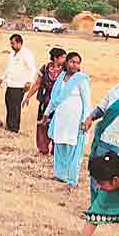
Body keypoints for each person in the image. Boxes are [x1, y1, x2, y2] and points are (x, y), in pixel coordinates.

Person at [40, 52, 90, 188]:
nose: (75, 65)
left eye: (78, 62)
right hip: (61, 119)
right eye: (72, 62)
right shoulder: (61, 77)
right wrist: (46, 114)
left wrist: (86, 120)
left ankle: (72, 179)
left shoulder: (81, 79)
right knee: (60, 145)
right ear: (66, 63)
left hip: (75, 120)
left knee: (73, 148)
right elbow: (55, 99)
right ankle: (60, 174)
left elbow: (87, 102)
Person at [23, 47, 67, 155]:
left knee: (58, 125)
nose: (65, 59)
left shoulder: (66, 70)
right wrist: (28, 96)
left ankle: (56, 150)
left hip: (59, 103)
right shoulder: (45, 68)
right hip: (45, 101)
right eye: (63, 57)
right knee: (43, 124)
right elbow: (37, 83)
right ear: (56, 58)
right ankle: (43, 148)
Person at [0, 34, 36, 133]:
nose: (11, 45)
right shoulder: (12, 53)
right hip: (10, 84)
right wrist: (1, 79)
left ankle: (14, 128)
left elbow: (32, 69)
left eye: (13, 43)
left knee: (15, 107)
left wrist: (29, 81)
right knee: (9, 104)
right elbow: (8, 68)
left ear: (19, 43)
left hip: (19, 85)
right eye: (11, 43)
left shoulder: (26, 54)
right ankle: (9, 125)